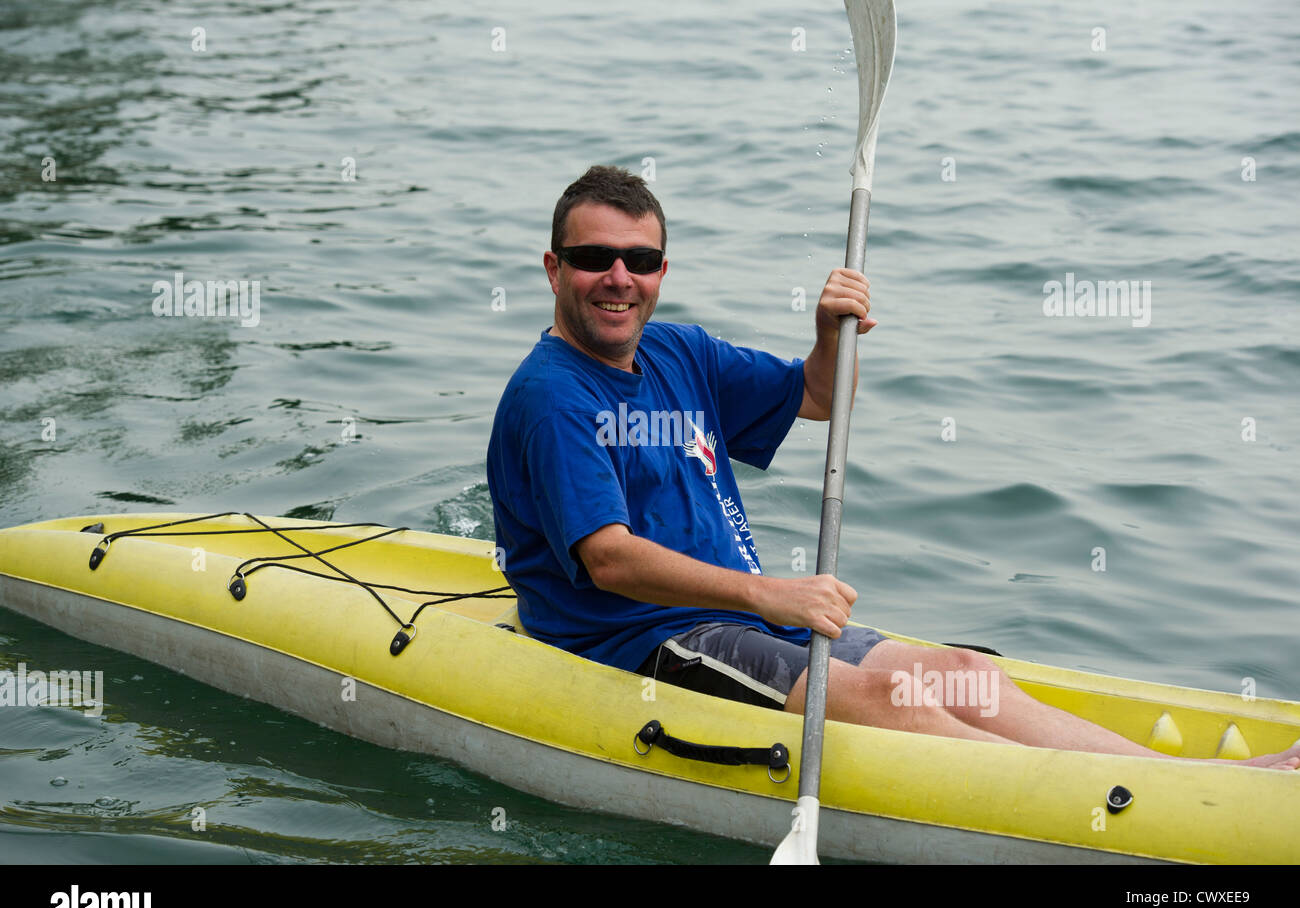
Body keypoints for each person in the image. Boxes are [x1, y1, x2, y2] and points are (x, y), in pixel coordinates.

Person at [486, 165, 1300, 770]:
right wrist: (771, 591)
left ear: (663, 269)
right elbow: (609, 557)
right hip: (644, 637)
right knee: (881, 701)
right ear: (555, 268)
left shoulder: (678, 350)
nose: (620, 277)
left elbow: (816, 396)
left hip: (755, 618)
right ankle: (1120, 814)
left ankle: (1179, 783)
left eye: (642, 259)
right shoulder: (552, 396)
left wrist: (831, 333)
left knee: (962, 673)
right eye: (595, 256)